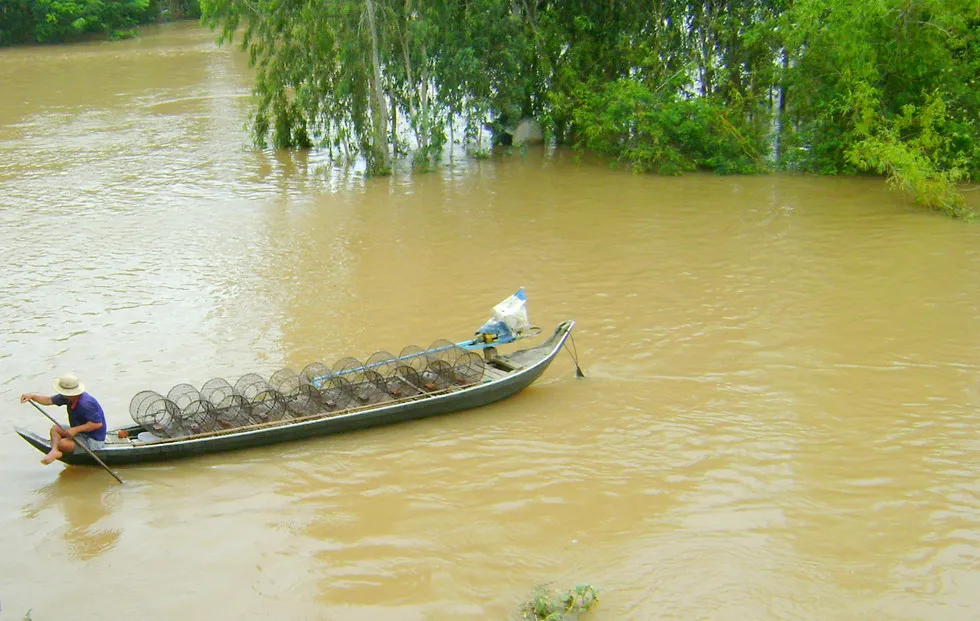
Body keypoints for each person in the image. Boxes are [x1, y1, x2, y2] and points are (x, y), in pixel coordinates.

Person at [20, 374, 107, 465]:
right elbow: (49, 400)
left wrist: (75, 429)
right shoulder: (68, 397)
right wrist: (33, 397)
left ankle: (58, 448)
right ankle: (55, 451)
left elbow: (97, 424)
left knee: (62, 444)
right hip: (80, 433)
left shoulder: (85, 404)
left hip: (93, 439)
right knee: (55, 428)